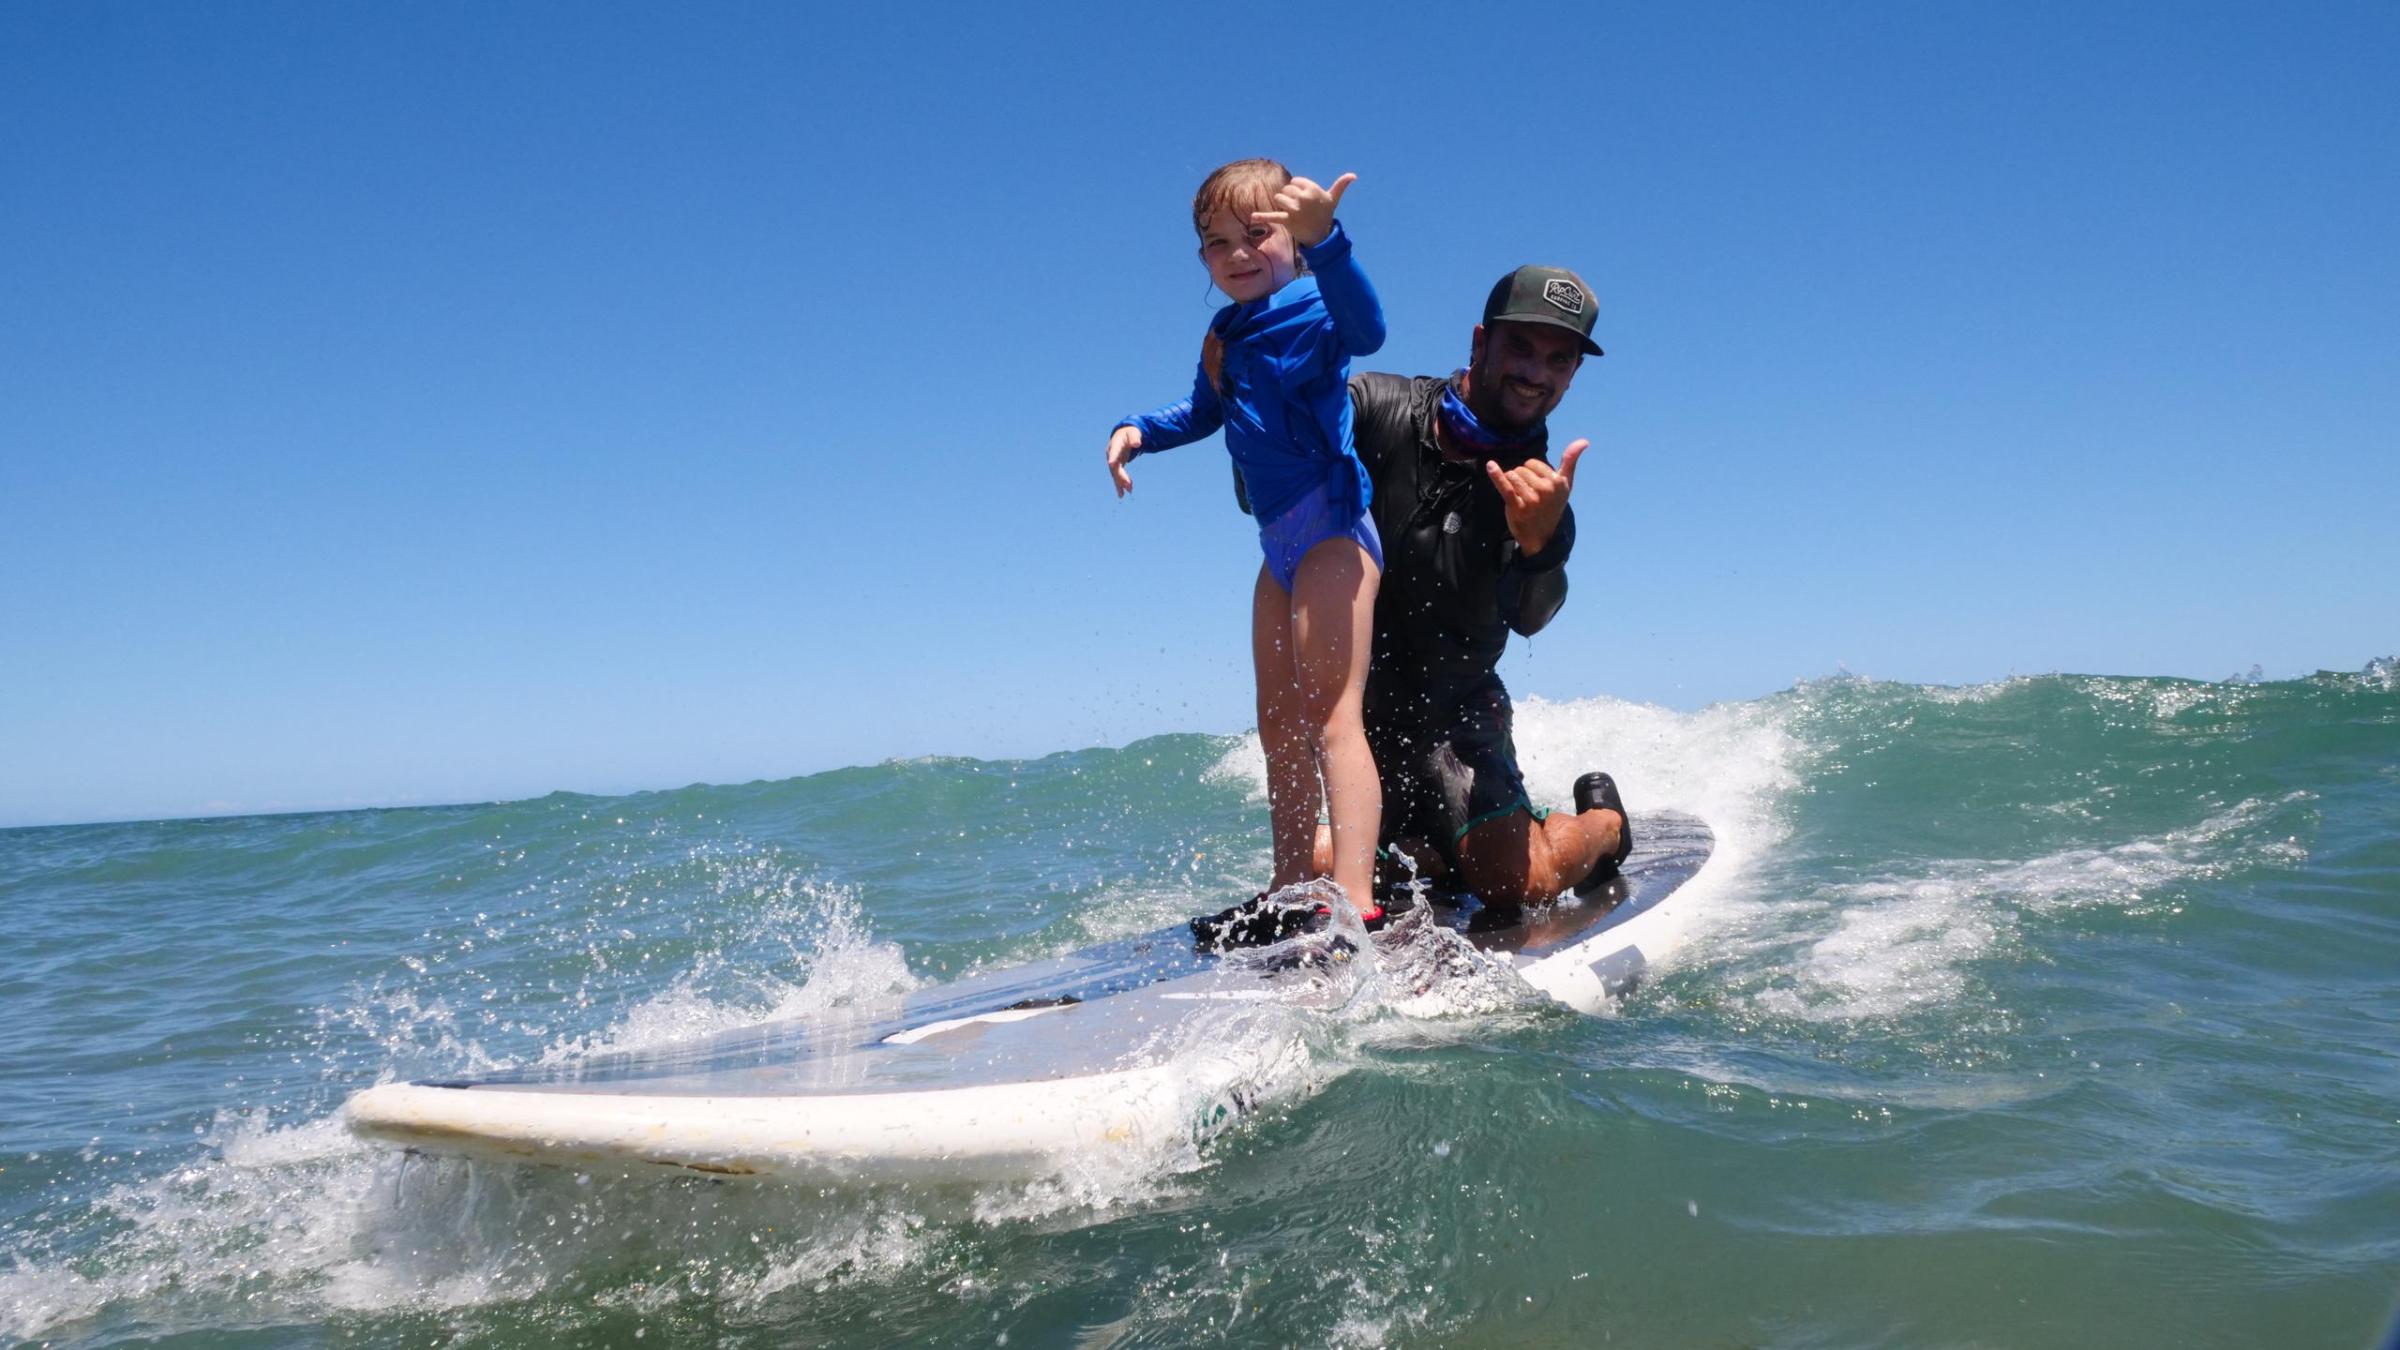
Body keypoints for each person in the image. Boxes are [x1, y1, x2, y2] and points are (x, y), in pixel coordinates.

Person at [1106, 158, 1390, 919]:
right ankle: (1293, 882)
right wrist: (1138, 430)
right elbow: (1201, 411)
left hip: (1333, 529)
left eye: (1256, 233)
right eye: (1215, 242)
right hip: (1279, 547)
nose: (1235, 253)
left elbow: (1370, 329)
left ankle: (1355, 899)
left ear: (1292, 239)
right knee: (1277, 724)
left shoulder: (1315, 308)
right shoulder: (1224, 335)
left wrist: (1329, 243)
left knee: (1334, 716)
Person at [1312, 265, 1632, 913]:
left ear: (1573, 374)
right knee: (1319, 870)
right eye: (1521, 348)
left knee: (1518, 886)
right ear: (1481, 342)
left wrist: (1541, 546)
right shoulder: (1376, 408)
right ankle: (1436, 850)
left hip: (1461, 714)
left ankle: (1604, 829)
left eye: (1559, 360)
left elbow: (1531, 619)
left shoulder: (1539, 490)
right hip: (1363, 716)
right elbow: (1285, 463)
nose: (1536, 373)